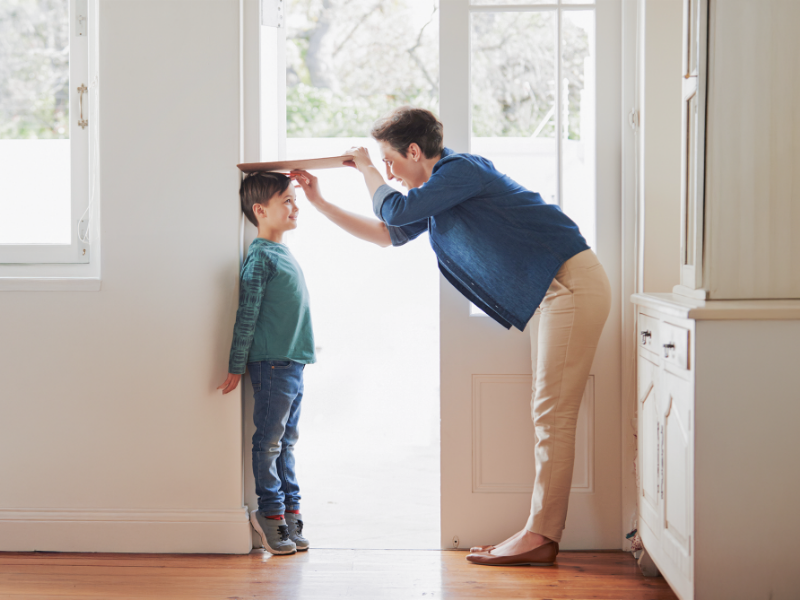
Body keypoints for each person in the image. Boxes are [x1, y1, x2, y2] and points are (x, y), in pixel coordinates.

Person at [293, 106, 611, 567]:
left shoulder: (461, 169)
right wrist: (320, 203)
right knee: (548, 412)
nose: (388, 172)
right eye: (381, 164)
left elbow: (395, 208)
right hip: (554, 291)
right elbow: (389, 232)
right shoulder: (441, 191)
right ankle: (538, 531)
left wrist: (364, 168)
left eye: (390, 161)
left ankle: (541, 535)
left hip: (571, 285)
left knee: (552, 414)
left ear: (415, 151)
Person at [217, 172, 315, 556]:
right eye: (287, 200)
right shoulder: (259, 256)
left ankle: (291, 513)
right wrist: (235, 363)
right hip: (272, 365)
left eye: (294, 199)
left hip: (293, 363)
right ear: (261, 210)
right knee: (269, 443)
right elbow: (247, 313)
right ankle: (270, 515)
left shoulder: (282, 252)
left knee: (287, 442)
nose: (296, 206)